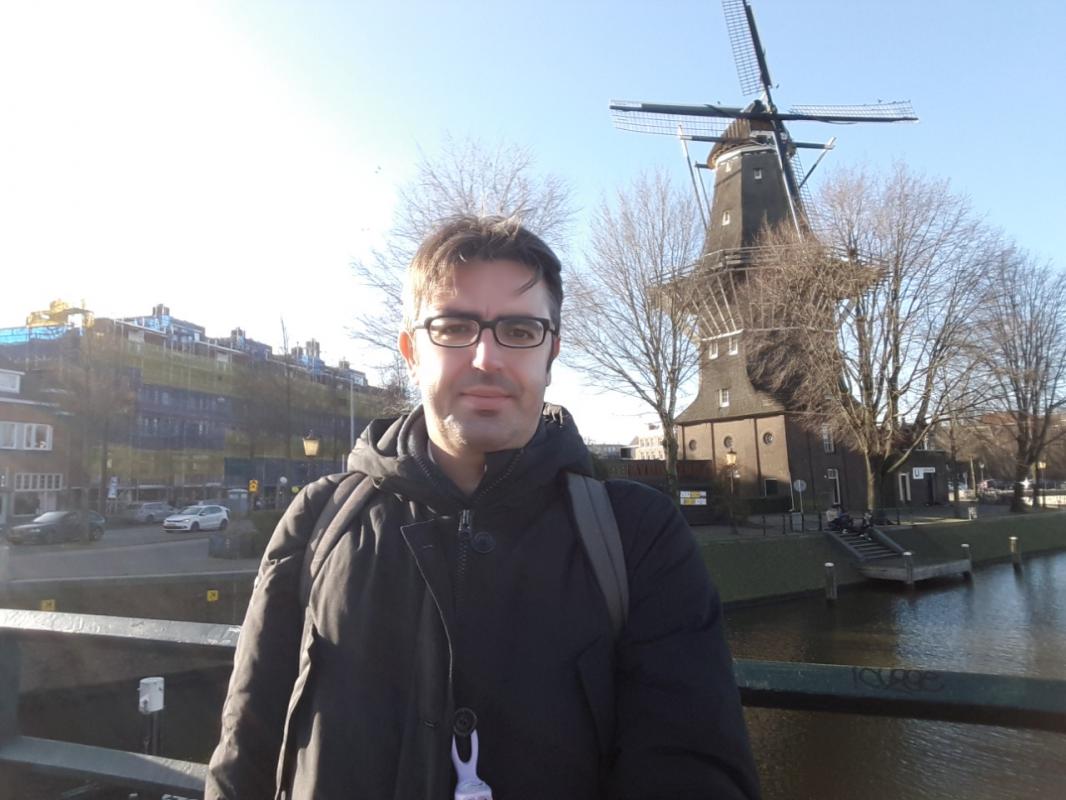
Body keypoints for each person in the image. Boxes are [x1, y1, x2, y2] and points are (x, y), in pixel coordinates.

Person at [206, 216, 760, 799]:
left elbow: (694, 770)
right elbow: (247, 748)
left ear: (552, 352)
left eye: (519, 331)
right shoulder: (319, 519)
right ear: (411, 352)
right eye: (453, 327)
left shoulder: (637, 535)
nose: (486, 357)